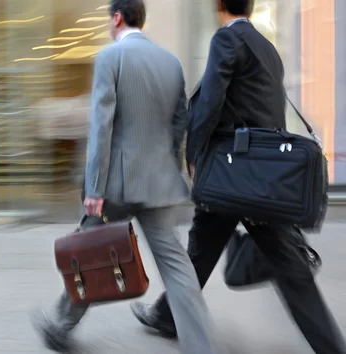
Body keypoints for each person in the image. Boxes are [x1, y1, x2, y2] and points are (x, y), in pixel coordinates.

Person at [131, 1, 346, 353]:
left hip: (234, 174)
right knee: (202, 248)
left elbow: (212, 99)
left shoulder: (227, 40)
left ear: (219, 5)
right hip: (258, 176)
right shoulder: (267, 48)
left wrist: (194, 153)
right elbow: (269, 112)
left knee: (287, 266)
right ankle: (167, 315)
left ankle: (331, 345)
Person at [30, 1, 217, 353]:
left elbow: (102, 127)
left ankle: (60, 326)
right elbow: (180, 123)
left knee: (86, 253)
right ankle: (201, 346)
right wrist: (166, 162)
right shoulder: (171, 63)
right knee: (177, 268)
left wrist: (95, 188)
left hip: (116, 184)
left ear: (116, 18)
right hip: (160, 181)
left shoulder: (109, 58)